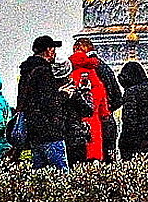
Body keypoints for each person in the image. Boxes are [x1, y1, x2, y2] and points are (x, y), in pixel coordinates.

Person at [17, 35, 68, 169]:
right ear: (48, 50)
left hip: (33, 131)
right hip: (50, 131)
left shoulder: (27, 71)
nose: (54, 52)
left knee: (39, 176)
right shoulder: (44, 71)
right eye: (53, 49)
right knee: (60, 175)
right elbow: (49, 102)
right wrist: (65, 93)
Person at [69, 47, 110, 162]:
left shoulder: (71, 78)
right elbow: (104, 108)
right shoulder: (96, 79)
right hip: (94, 122)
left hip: (76, 123)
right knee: (94, 154)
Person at [55, 59, 95, 164]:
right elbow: (88, 110)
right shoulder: (72, 92)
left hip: (56, 136)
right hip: (75, 137)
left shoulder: (50, 92)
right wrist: (86, 91)